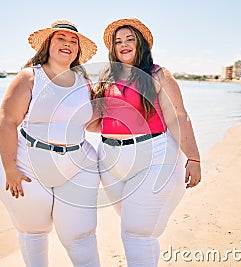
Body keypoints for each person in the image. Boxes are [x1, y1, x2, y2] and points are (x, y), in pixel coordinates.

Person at [90, 18, 201, 266]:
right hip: (110, 162)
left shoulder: (157, 74)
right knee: (134, 227)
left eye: (130, 39)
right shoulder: (107, 76)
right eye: (118, 41)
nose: (124, 45)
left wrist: (194, 157)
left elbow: (179, 117)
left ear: (141, 44)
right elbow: (95, 121)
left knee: (136, 234)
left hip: (154, 156)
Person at [0, 20, 101, 267]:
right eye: (61, 39)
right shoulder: (30, 77)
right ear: (48, 44)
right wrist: (10, 169)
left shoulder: (83, 82)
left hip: (77, 165)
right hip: (28, 163)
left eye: (73, 41)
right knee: (34, 231)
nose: (68, 44)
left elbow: (92, 124)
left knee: (80, 234)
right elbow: (6, 122)